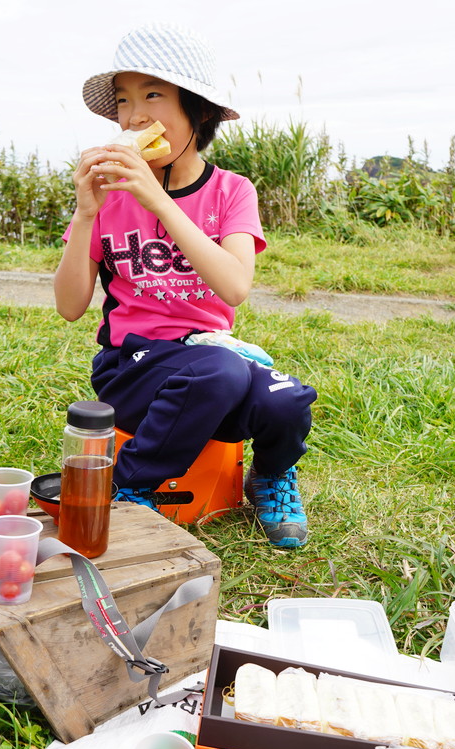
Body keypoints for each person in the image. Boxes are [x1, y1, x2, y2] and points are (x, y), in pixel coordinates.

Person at [53, 23, 317, 548]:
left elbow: (235, 286)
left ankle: (269, 475)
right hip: (132, 365)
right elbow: (69, 306)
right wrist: (85, 214)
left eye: (153, 94)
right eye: (124, 100)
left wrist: (157, 200)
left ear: (198, 111)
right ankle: (128, 483)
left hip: (211, 357)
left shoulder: (231, 191)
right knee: (218, 373)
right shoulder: (108, 198)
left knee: (286, 400)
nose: (134, 115)